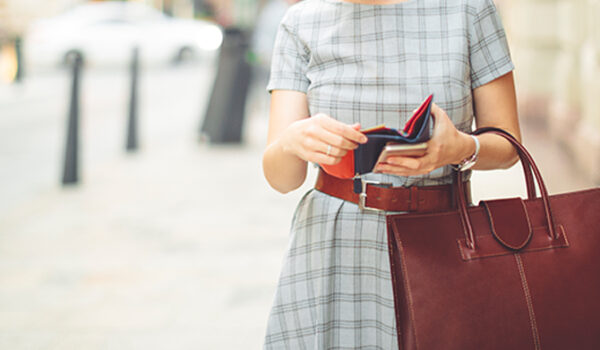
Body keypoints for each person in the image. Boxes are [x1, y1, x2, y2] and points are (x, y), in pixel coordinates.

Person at [262, 0, 521, 348]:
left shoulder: (469, 10)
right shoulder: (301, 22)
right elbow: (283, 178)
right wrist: (291, 142)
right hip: (332, 246)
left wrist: (460, 148)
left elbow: (508, 145)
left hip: (443, 239)